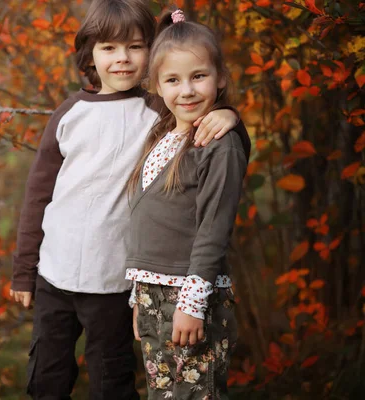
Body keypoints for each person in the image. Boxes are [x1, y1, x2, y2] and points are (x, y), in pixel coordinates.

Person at [10, 1, 248, 399]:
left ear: (152, 56)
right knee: (46, 376)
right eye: (108, 48)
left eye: (135, 47)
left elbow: (209, 134)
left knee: (112, 378)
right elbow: (38, 195)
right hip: (56, 271)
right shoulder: (70, 113)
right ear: (90, 54)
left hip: (114, 281)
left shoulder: (159, 110)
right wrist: (24, 268)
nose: (122, 59)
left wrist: (231, 117)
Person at [125, 9, 249, 400]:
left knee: (197, 395)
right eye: (173, 80)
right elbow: (148, 223)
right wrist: (139, 296)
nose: (187, 91)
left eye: (199, 76)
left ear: (221, 78)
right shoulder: (161, 134)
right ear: (157, 87)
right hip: (152, 294)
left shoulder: (218, 142)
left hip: (193, 295)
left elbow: (214, 226)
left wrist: (193, 303)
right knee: (163, 395)